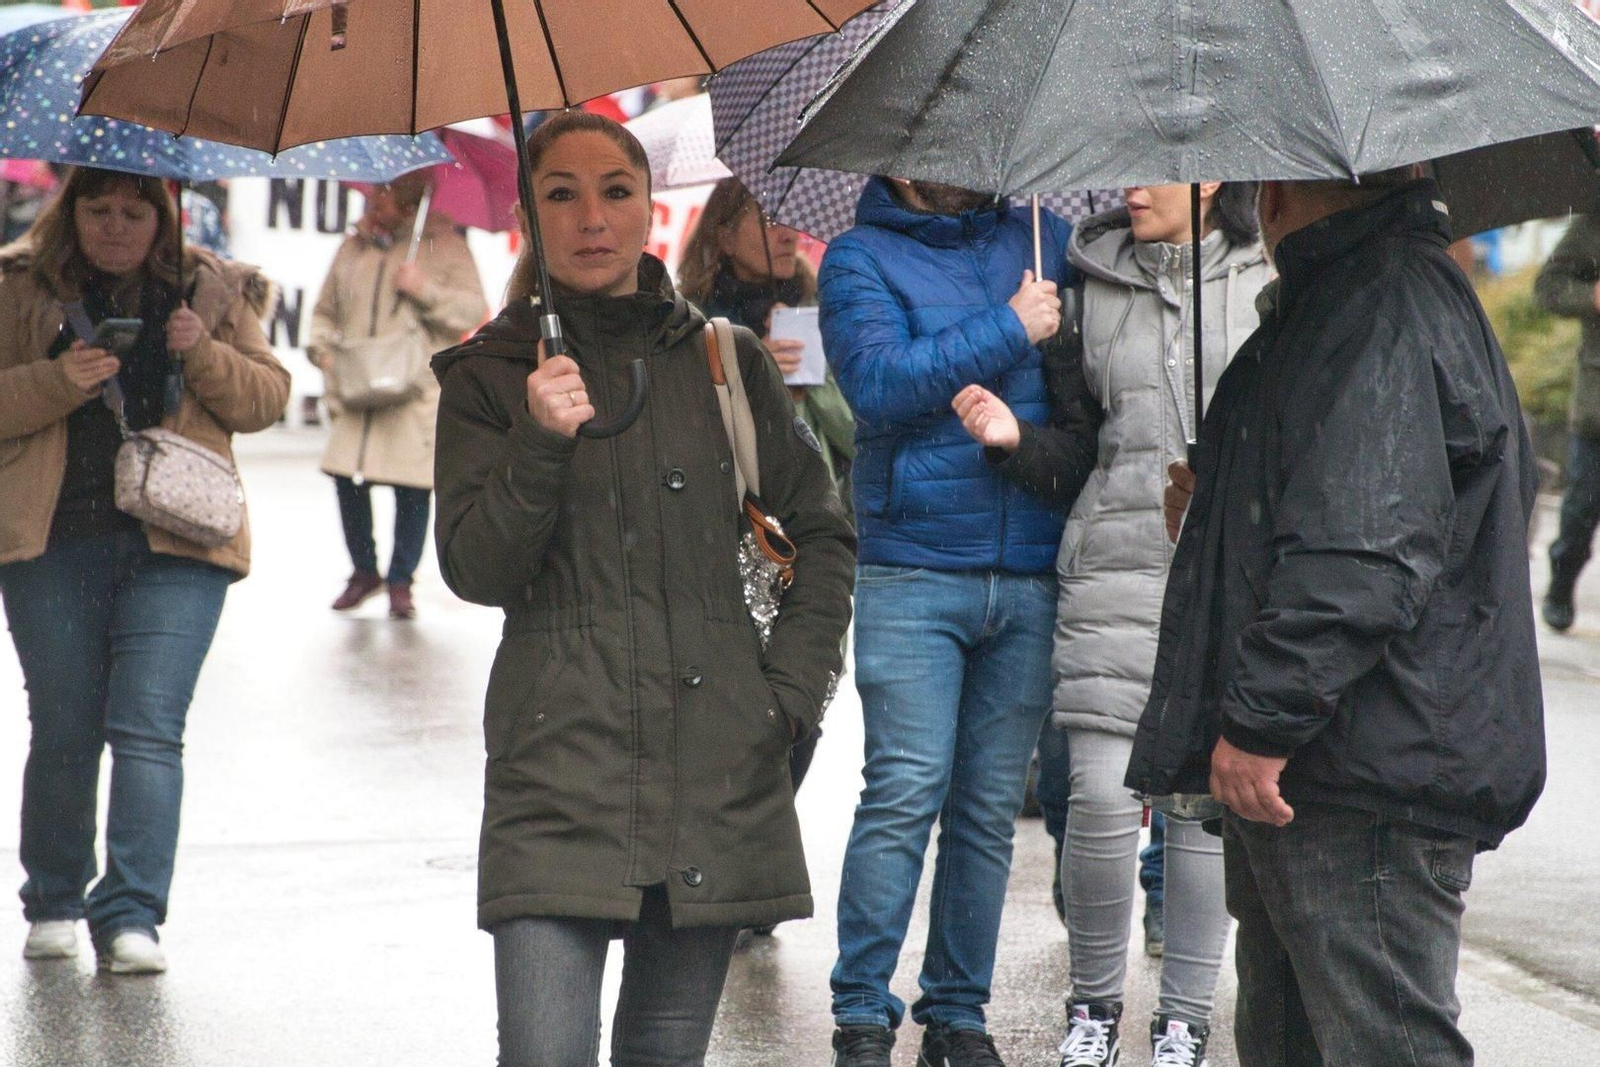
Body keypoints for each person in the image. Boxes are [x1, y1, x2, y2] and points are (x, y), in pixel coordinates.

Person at [430, 111, 854, 1067]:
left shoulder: (724, 359)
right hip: (557, 768)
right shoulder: (489, 376)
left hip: (716, 765)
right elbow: (477, 568)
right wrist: (540, 441)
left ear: (649, 208)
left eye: (615, 191)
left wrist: (786, 696)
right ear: (528, 221)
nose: (592, 217)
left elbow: (823, 532)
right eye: (561, 194)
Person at [1128, 172, 1545, 1066]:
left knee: (1383, 1043)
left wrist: (1260, 723)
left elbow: (1363, 551)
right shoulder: (1361, 299)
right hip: (1344, 759)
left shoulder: (1381, 305)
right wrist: (1218, 507)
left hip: (1359, 768)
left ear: (1281, 192)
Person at [957, 181, 1269, 1066]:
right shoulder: (1088, 283)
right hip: (1114, 567)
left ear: (1213, 175)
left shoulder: (1268, 276)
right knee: (1097, 796)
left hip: (1226, 575)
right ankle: (1092, 1009)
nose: (1134, 186)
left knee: (1201, 807)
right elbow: (1077, 445)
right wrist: (1014, 439)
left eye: (1156, 167)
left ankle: (1184, 1021)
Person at [0, 165, 289, 973]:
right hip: (52, 538)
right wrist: (58, 381)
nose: (116, 227)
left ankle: (131, 913)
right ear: (72, 212)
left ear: (163, 218)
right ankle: (55, 898)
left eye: (135, 213)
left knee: (149, 725)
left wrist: (205, 353)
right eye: (99, 210)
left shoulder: (212, 288)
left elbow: (265, 399)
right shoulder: (19, 285)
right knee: (66, 723)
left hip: (179, 540)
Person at [821, 176, 1070, 1067]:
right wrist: (1010, 326)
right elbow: (875, 383)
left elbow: (1078, 396)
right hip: (915, 566)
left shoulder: (1044, 235)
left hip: (1029, 565)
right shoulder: (858, 257)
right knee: (903, 790)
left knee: (988, 809)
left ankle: (958, 1012)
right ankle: (862, 1009)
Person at [680, 177, 856, 801]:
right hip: (714, 543)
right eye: (767, 217)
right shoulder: (688, 321)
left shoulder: (824, 310)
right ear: (724, 235)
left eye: (793, 218)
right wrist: (748, 378)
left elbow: (855, 433)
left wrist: (809, 387)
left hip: (805, 542)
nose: (787, 234)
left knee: (799, 706)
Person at [309, 173, 488, 620]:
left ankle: (400, 580)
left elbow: (471, 309)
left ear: (410, 203)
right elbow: (324, 310)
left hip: (413, 389)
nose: (374, 202)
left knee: (412, 488)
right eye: (374, 193)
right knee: (347, 478)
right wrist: (322, 351)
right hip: (356, 386)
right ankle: (364, 571)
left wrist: (423, 289)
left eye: (385, 196)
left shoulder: (446, 246)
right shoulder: (353, 247)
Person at [1533, 211, 1600, 632]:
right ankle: (1562, 582)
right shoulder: (1592, 227)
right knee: (1580, 513)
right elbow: (1548, 288)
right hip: (1597, 409)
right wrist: (1591, 295)